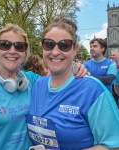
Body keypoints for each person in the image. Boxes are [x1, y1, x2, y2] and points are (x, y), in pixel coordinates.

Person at [0, 23, 87, 150]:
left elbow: (59, 79)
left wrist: (74, 67)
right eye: (5, 45)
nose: (12, 51)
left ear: (25, 52)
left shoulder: (32, 80)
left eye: (19, 46)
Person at [26, 18, 119, 150]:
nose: (55, 51)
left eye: (64, 45)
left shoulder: (93, 90)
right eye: (49, 44)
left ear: (75, 49)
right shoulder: (37, 85)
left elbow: (114, 145)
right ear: (42, 48)